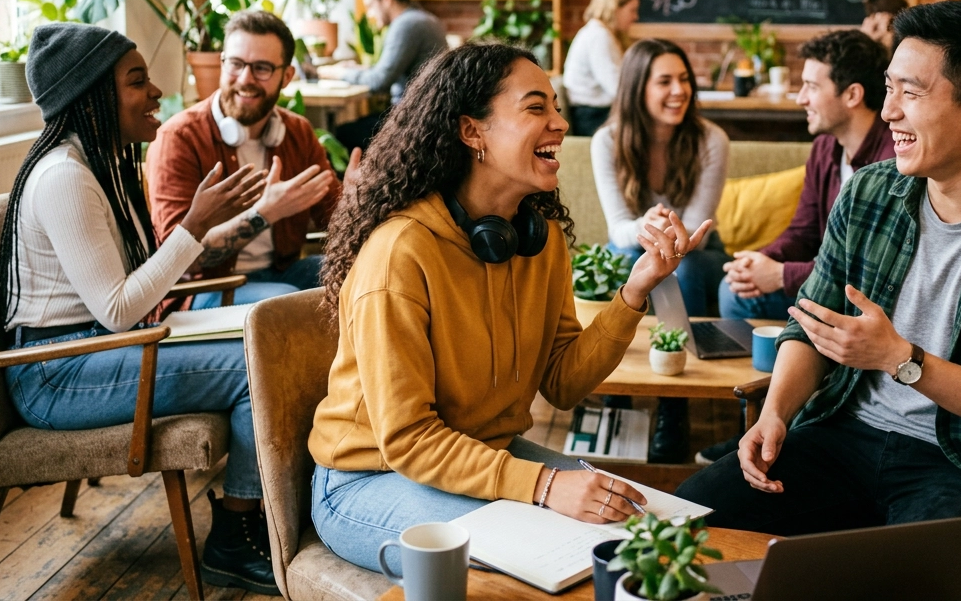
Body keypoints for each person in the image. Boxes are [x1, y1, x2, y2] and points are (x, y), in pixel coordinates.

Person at [677, 0, 961, 582]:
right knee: (676, 528)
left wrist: (901, 360)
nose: (887, 113)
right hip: (841, 435)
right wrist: (776, 413)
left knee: (901, 582)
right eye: (888, 89)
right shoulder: (871, 194)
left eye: (911, 92)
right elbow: (810, 320)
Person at [307, 42, 711, 572]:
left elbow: (563, 383)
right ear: (472, 131)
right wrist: (545, 486)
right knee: (544, 561)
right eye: (536, 107)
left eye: (557, 107)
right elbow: (407, 438)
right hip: (370, 481)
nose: (560, 124)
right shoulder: (401, 252)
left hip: (480, 459)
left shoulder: (536, 242)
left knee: (638, 535)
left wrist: (634, 292)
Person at [0, 22, 283, 595]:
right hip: (56, 372)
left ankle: (267, 514)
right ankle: (234, 537)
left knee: (265, 338)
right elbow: (120, 309)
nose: (157, 93)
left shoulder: (98, 165)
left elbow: (123, 299)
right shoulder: (64, 178)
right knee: (257, 367)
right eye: (137, 81)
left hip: (89, 351)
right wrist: (195, 226)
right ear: (93, 95)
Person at [699, 29, 894, 465]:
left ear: (852, 94)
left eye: (810, 86)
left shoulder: (890, 161)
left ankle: (782, 429)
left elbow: (867, 268)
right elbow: (804, 230)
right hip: (818, 279)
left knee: (738, 291)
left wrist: (781, 276)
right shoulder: (826, 147)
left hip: (862, 300)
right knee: (735, 285)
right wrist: (763, 259)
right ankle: (755, 427)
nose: (799, 97)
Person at [592, 38, 731, 462]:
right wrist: (648, 228)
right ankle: (613, 393)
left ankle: (675, 404)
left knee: (681, 271)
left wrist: (666, 237)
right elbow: (618, 229)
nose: (679, 90)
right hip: (633, 246)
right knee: (615, 266)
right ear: (637, 88)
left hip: (698, 253)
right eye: (665, 81)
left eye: (685, 79)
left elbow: (698, 232)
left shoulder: (712, 139)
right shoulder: (607, 141)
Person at [147, 10, 343, 308]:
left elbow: (335, 217)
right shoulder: (179, 138)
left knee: (363, 274)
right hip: (205, 288)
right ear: (222, 63)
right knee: (286, 305)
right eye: (236, 65)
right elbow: (180, 261)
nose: (245, 79)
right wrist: (264, 213)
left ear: (286, 76)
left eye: (262, 68)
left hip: (281, 275)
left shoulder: (296, 132)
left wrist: (360, 200)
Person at [318, 0, 448, 151]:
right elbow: (391, 71)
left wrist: (337, 73)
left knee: (336, 135)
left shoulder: (406, 24)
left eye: (370, 5)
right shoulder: (424, 19)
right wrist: (359, 70)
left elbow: (380, 80)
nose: (370, 14)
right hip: (425, 116)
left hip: (411, 121)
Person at [562, 0, 639, 136]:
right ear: (615, 8)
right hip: (592, 117)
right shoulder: (599, 37)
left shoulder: (600, 33)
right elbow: (617, 88)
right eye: (632, 10)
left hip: (594, 113)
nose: (635, 17)